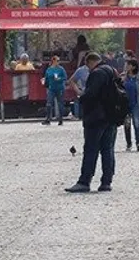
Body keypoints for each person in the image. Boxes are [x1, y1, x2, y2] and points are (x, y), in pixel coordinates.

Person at [66, 53, 119, 193]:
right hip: (111, 116)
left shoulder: (96, 73)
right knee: (108, 149)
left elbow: (91, 94)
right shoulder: (113, 71)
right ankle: (106, 182)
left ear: (90, 62)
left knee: (91, 149)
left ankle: (84, 181)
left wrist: (81, 97)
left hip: (96, 117)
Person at [43, 55, 68, 126]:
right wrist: (45, 84)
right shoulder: (49, 69)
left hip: (60, 88)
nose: (58, 62)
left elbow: (65, 77)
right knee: (49, 103)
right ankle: (48, 118)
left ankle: (60, 119)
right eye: (57, 61)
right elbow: (47, 78)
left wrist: (59, 79)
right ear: (53, 61)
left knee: (60, 103)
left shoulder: (61, 69)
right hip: (51, 88)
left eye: (59, 61)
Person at [70, 55, 91, 121]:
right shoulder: (81, 70)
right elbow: (72, 80)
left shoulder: (100, 69)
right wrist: (78, 90)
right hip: (85, 91)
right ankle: (78, 116)